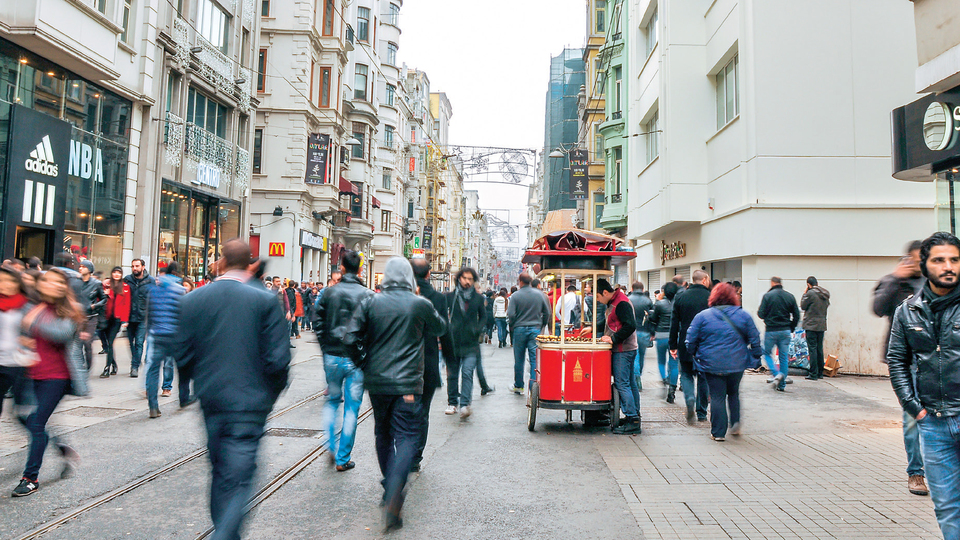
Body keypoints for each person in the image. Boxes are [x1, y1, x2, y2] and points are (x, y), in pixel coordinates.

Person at [176, 240, 290, 540]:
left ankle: (225, 531)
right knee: (238, 478)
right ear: (248, 262)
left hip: (212, 398)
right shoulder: (265, 300)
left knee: (220, 470)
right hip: (250, 403)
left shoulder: (193, 299)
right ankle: (224, 535)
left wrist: (193, 384)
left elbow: (182, 353)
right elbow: (279, 360)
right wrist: (268, 396)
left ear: (222, 263)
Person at [343, 257, 446, 531]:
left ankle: (390, 484)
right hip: (409, 384)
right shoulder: (419, 303)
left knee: (383, 433)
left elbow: (349, 338)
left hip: (377, 383)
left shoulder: (370, 302)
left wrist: (364, 362)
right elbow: (440, 328)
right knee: (408, 436)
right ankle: (394, 494)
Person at [887, 232, 960, 538]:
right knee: (946, 505)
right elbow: (897, 361)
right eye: (939, 260)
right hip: (933, 424)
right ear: (925, 265)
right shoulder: (907, 310)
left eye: (955, 259)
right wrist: (914, 408)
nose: (949, 266)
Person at [12, 268, 88, 497]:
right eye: (49, 281)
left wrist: (30, 324)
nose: (54, 285)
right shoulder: (32, 308)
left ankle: (30, 478)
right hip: (29, 372)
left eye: (59, 282)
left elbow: (61, 334)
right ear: (41, 284)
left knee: (36, 423)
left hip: (57, 376)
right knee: (21, 416)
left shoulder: (72, 310)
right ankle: (62, 448)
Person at [873, 240, 927, 497]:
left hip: (934, 359)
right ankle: (916, 473)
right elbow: (878, 308)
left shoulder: (933, 282)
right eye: (917, 259)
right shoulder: (893, 282)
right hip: (906, 361)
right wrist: (895, 279)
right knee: (911, 419)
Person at [314, 250, 372, 471]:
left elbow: (317, 321)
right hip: (355, 358)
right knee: (351, 408)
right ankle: (342, 457)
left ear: (343, 268)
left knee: (331, 401)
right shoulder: (367, 294)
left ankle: (330, 443)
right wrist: (364, 353)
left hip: (332, 355)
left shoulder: (329, 293)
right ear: (359, 269)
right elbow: (371, 328)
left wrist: (325, 346)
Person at [684, 283, 762, 442]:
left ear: (713, 297)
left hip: (711, 363)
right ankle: (735, 423)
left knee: (717, 396)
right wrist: (756, 356)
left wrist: (694, 354)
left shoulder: (702, 316)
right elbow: (755, 339)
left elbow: (690, 340)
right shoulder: (744, 315)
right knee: (733, 393)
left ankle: (718, 433)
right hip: (737, 362)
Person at [410, 258, 454, 472]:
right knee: (422, 411)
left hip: (401, 362)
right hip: (427, 360)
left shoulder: (401, 295)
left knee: (402, 410)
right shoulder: (438, 297)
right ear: (429, 274)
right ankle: (415, 456)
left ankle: (401, 451)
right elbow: (443, 330)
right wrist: (449, 357)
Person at [145, 261, 190, 418]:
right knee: (183, 366)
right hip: (176, 335)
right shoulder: (180, 290)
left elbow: (149, 313)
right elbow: (183, 314)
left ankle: (153, 406)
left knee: (153, 369)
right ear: (177, 274)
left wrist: (150, 330)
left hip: (157, 334)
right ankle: (184, 398)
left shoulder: (153, 290)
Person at [596, 279, 640, 434]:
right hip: (627, 349)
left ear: (605, 293)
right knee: (630, 383)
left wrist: (613, 339)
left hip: (623, 350)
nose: (598, 301)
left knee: (622, 384)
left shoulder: (621, 303)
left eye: (599, 297)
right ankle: (633, 416)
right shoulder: (614, 302)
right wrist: (593, 328)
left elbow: (630, 325)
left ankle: (632, 419)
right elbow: (610, 322)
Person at [669, 270, 712, 424]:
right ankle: (701, 413)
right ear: (705, 279)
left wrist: (673, 345)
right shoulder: (711, 297)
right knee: (703, 377)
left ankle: (689, 398)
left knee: (686, 374)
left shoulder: (681, 297)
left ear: (692, 280)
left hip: (686, 341)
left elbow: (674, 323)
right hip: (707, 343)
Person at [444, 267, 487, 418]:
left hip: (471, 343)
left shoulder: (478, 298)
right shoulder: (450, 297)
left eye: (470, 279)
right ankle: (452, 402)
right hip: (453, 342)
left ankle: (465, 404)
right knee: (452, 374)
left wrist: (477, 329)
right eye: (465, 278)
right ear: (459, 279)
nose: (467, 282)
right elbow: (442, 315)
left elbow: (483, 317)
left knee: (467, 373)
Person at [507, 273, 551, 394]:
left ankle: (519, 385)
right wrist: (541, 324)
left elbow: (510, 315)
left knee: (519, 359)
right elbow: (547, 312)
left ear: (520, 281)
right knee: (534, 359)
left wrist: (513, 324)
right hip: (535, 329)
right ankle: (533, 386)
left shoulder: (515, 296)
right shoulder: (539, 295)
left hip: (519, 329)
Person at [757, 276, 800, 391]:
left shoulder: (767, 296)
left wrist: (768, 319)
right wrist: (791, 327)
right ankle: (782, 385)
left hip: (771, 330)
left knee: (766, 353)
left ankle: (776, 373)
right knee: (783, 357)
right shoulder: (789, 296)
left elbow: (760, 313)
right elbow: (797, 315)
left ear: (772, 283)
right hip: (785, 331)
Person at [0, 266, 30, 420]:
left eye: (11, 281)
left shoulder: (27, 305)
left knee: (24, 414)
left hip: (19, 365)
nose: (6, 285)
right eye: (1, 281)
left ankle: (51, 440)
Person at [123, 259, 154, 377]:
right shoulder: (127, 279)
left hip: (143, 316)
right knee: (130, 342)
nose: (134, 268)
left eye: (137, 266)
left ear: (143, 267)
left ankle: (134, 367)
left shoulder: (150, 281)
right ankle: (136, 359)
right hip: (129, 316)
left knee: (139, 342)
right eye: (133, 266)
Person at [649, 282, 679, 403]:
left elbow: (654, 318)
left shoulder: (659, 304)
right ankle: (672, 389)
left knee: (661, 360)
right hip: (675, 336)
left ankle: (665, 379)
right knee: (674, 363)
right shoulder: (678, 304)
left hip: (661, 335)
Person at [101, 267, 131, 378]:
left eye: (119, 273)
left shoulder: (125, 287)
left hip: (117, 319)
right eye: (114, 272)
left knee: (110, 342)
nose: (116, 274)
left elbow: (126, 305)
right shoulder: (107, 285)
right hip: (106, 318)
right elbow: (101, 299)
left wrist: (125, 320)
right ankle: (113, 364)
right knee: (108, 344)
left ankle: (106, 368)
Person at [77, 260, 107, 370]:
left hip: (91, 317)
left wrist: (94, 306)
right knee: (77, 343)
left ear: (89, 270)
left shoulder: (96, 283)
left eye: (83, 267)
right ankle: (79, 365)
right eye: (80, 266)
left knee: (87, 342)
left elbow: (104, 299)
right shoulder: (77, 282)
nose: (80, 269)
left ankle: (88, 366)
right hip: (78, 316)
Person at [800, 276, 830, 380]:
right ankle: (820, 373)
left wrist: (805, 294)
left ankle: (813, 373)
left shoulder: (810, 293)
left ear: (808, 284)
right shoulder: (825, 294)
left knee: (812, 348)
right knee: (819, 348)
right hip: (821, 324)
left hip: (811, 325)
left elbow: (803, 306)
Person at [627, 281, 654, 389]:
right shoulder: (648, 300)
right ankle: (638, 374)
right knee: (641, 355)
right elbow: (652, 318)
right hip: (644, 332)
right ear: (642, 289)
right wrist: (652, 332)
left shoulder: (628, 299)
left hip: (631, 331)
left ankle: (635, 377)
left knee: (634, 355)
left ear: (632, 289)